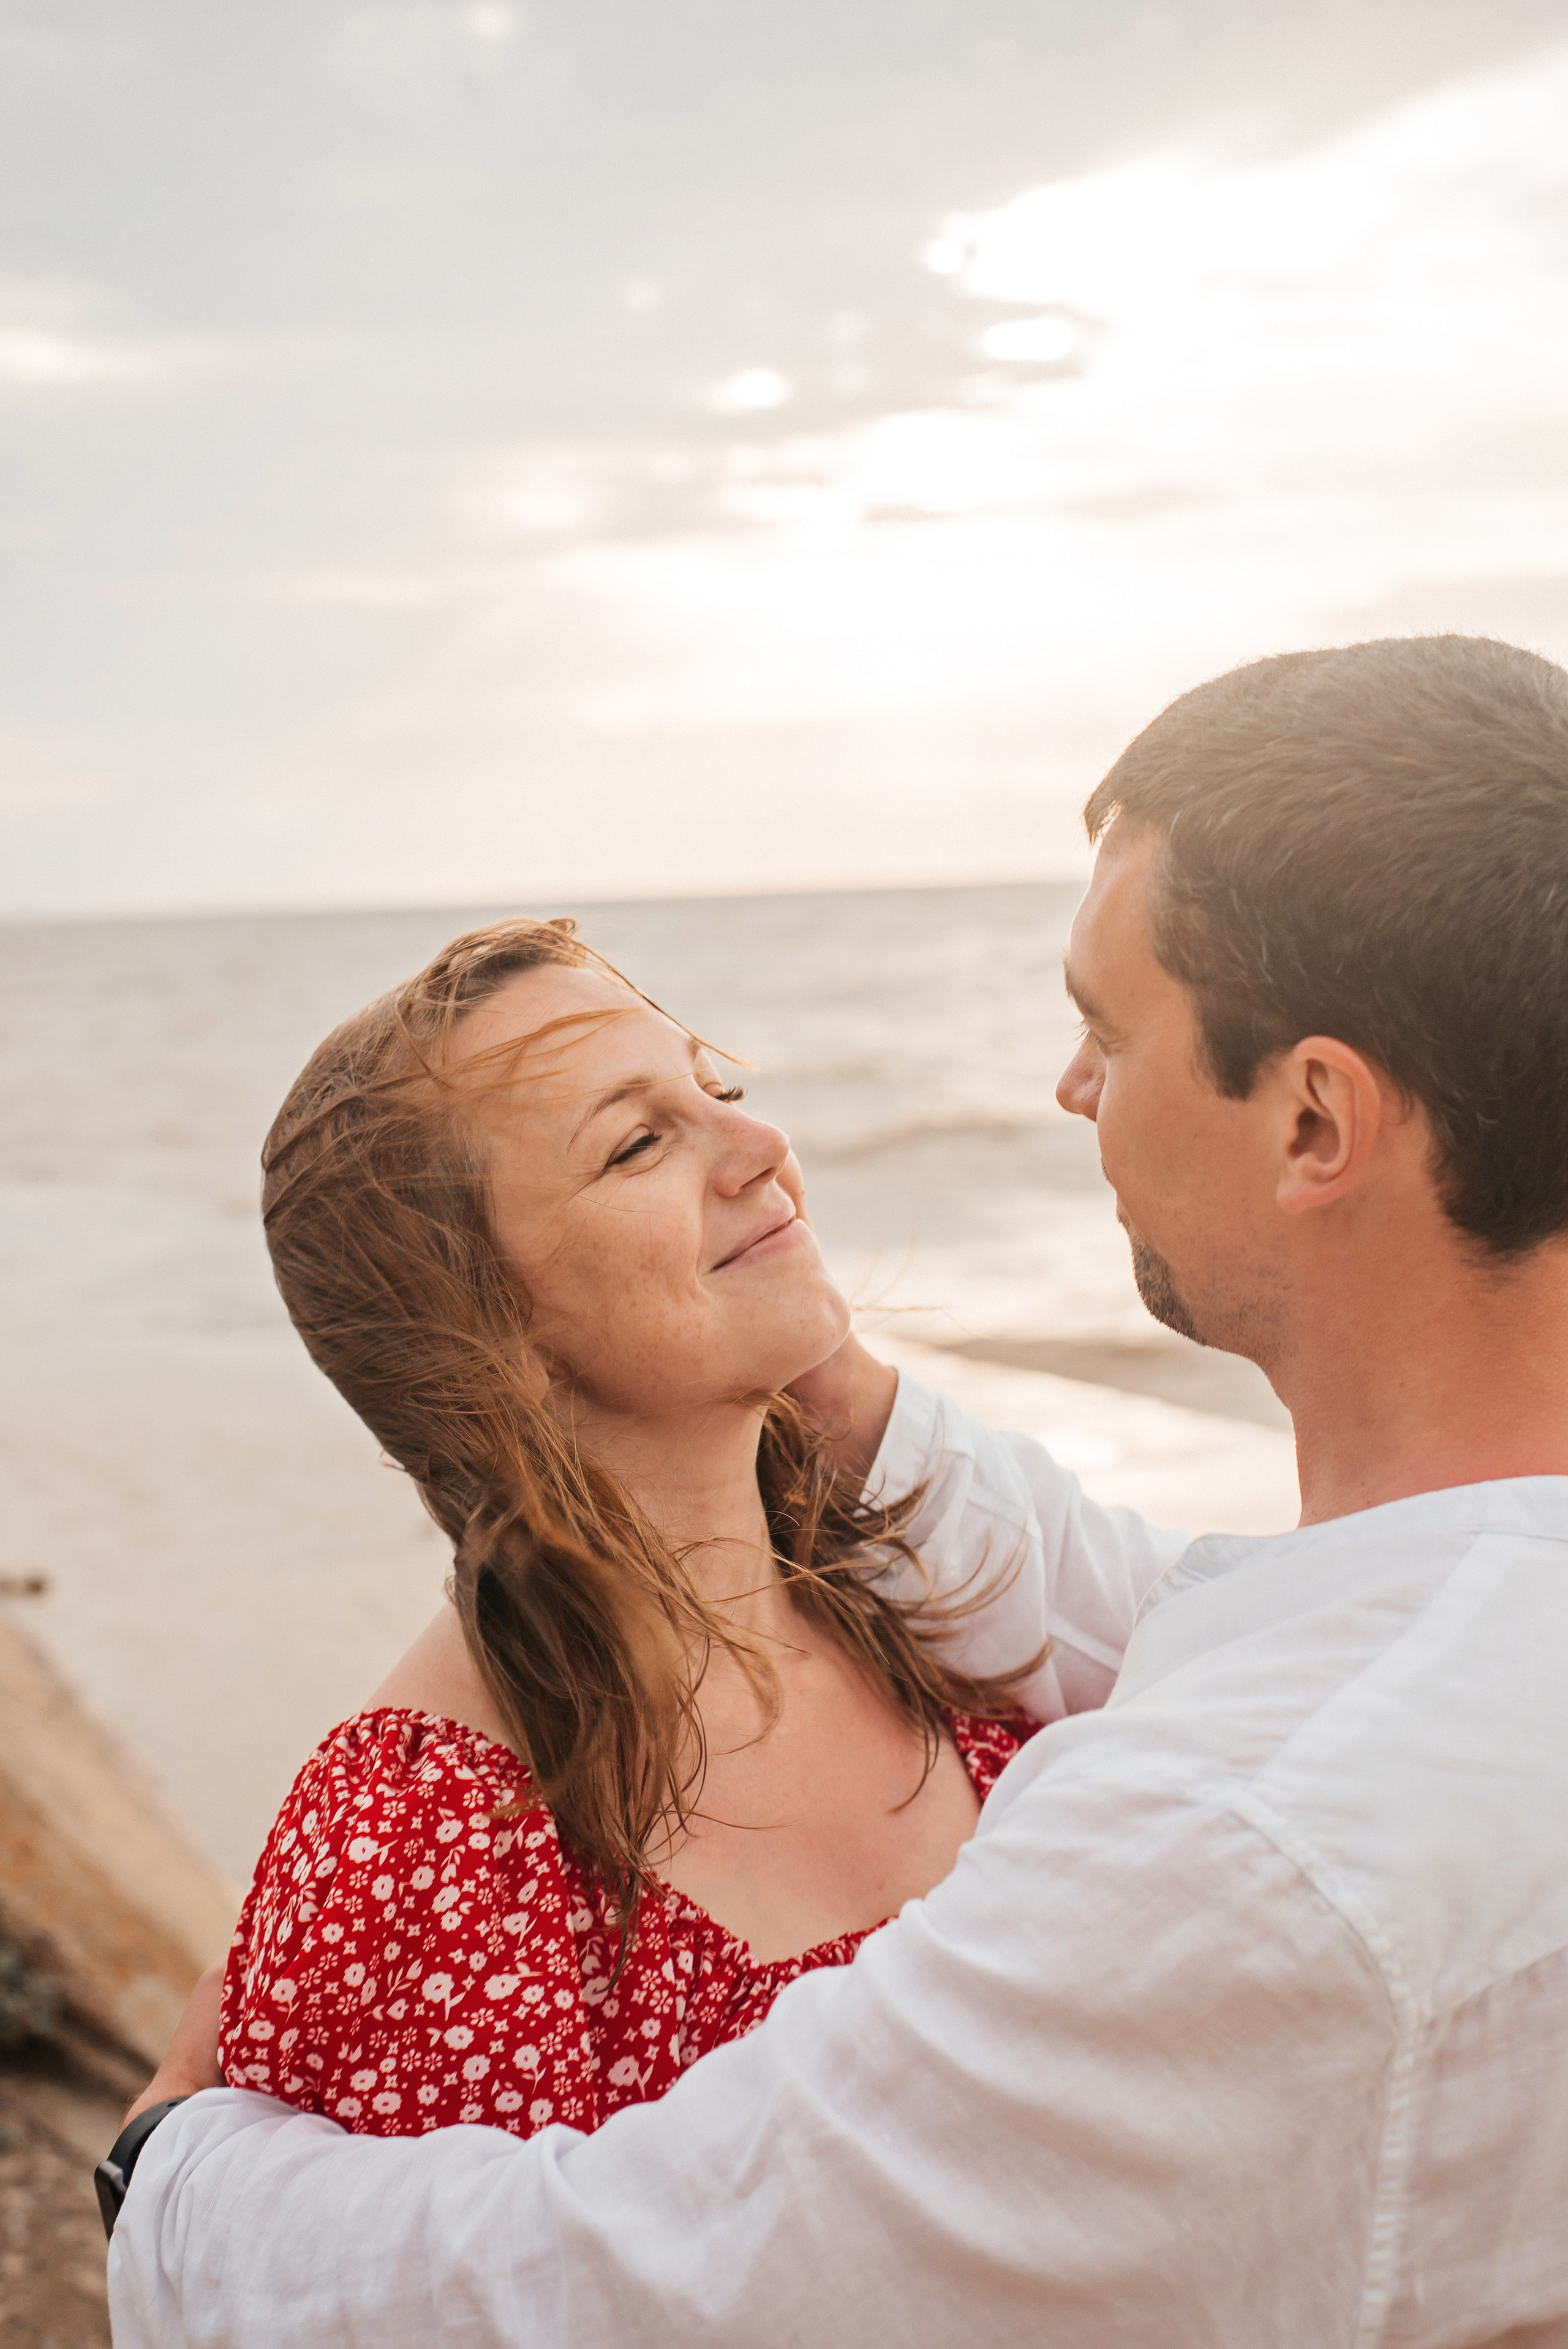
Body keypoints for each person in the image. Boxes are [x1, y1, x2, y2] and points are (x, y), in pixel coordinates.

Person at [110, 636, 1568, 2347]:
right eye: (644, 1135)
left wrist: (177, 2183)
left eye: (1108, 1027)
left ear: (1317, 1120)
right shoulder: (433, 1837)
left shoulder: (1227, 1838)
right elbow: (1194, 1616)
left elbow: (660, 2285)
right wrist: (847, 1401)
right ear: (483, 1324)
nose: (1071, 1088)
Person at [208, 915, 1175, 2147]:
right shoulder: (417, 1858)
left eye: (715, 1085)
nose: (761, 1143)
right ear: (483, 1334)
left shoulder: (949, 1609)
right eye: (634, 1144)